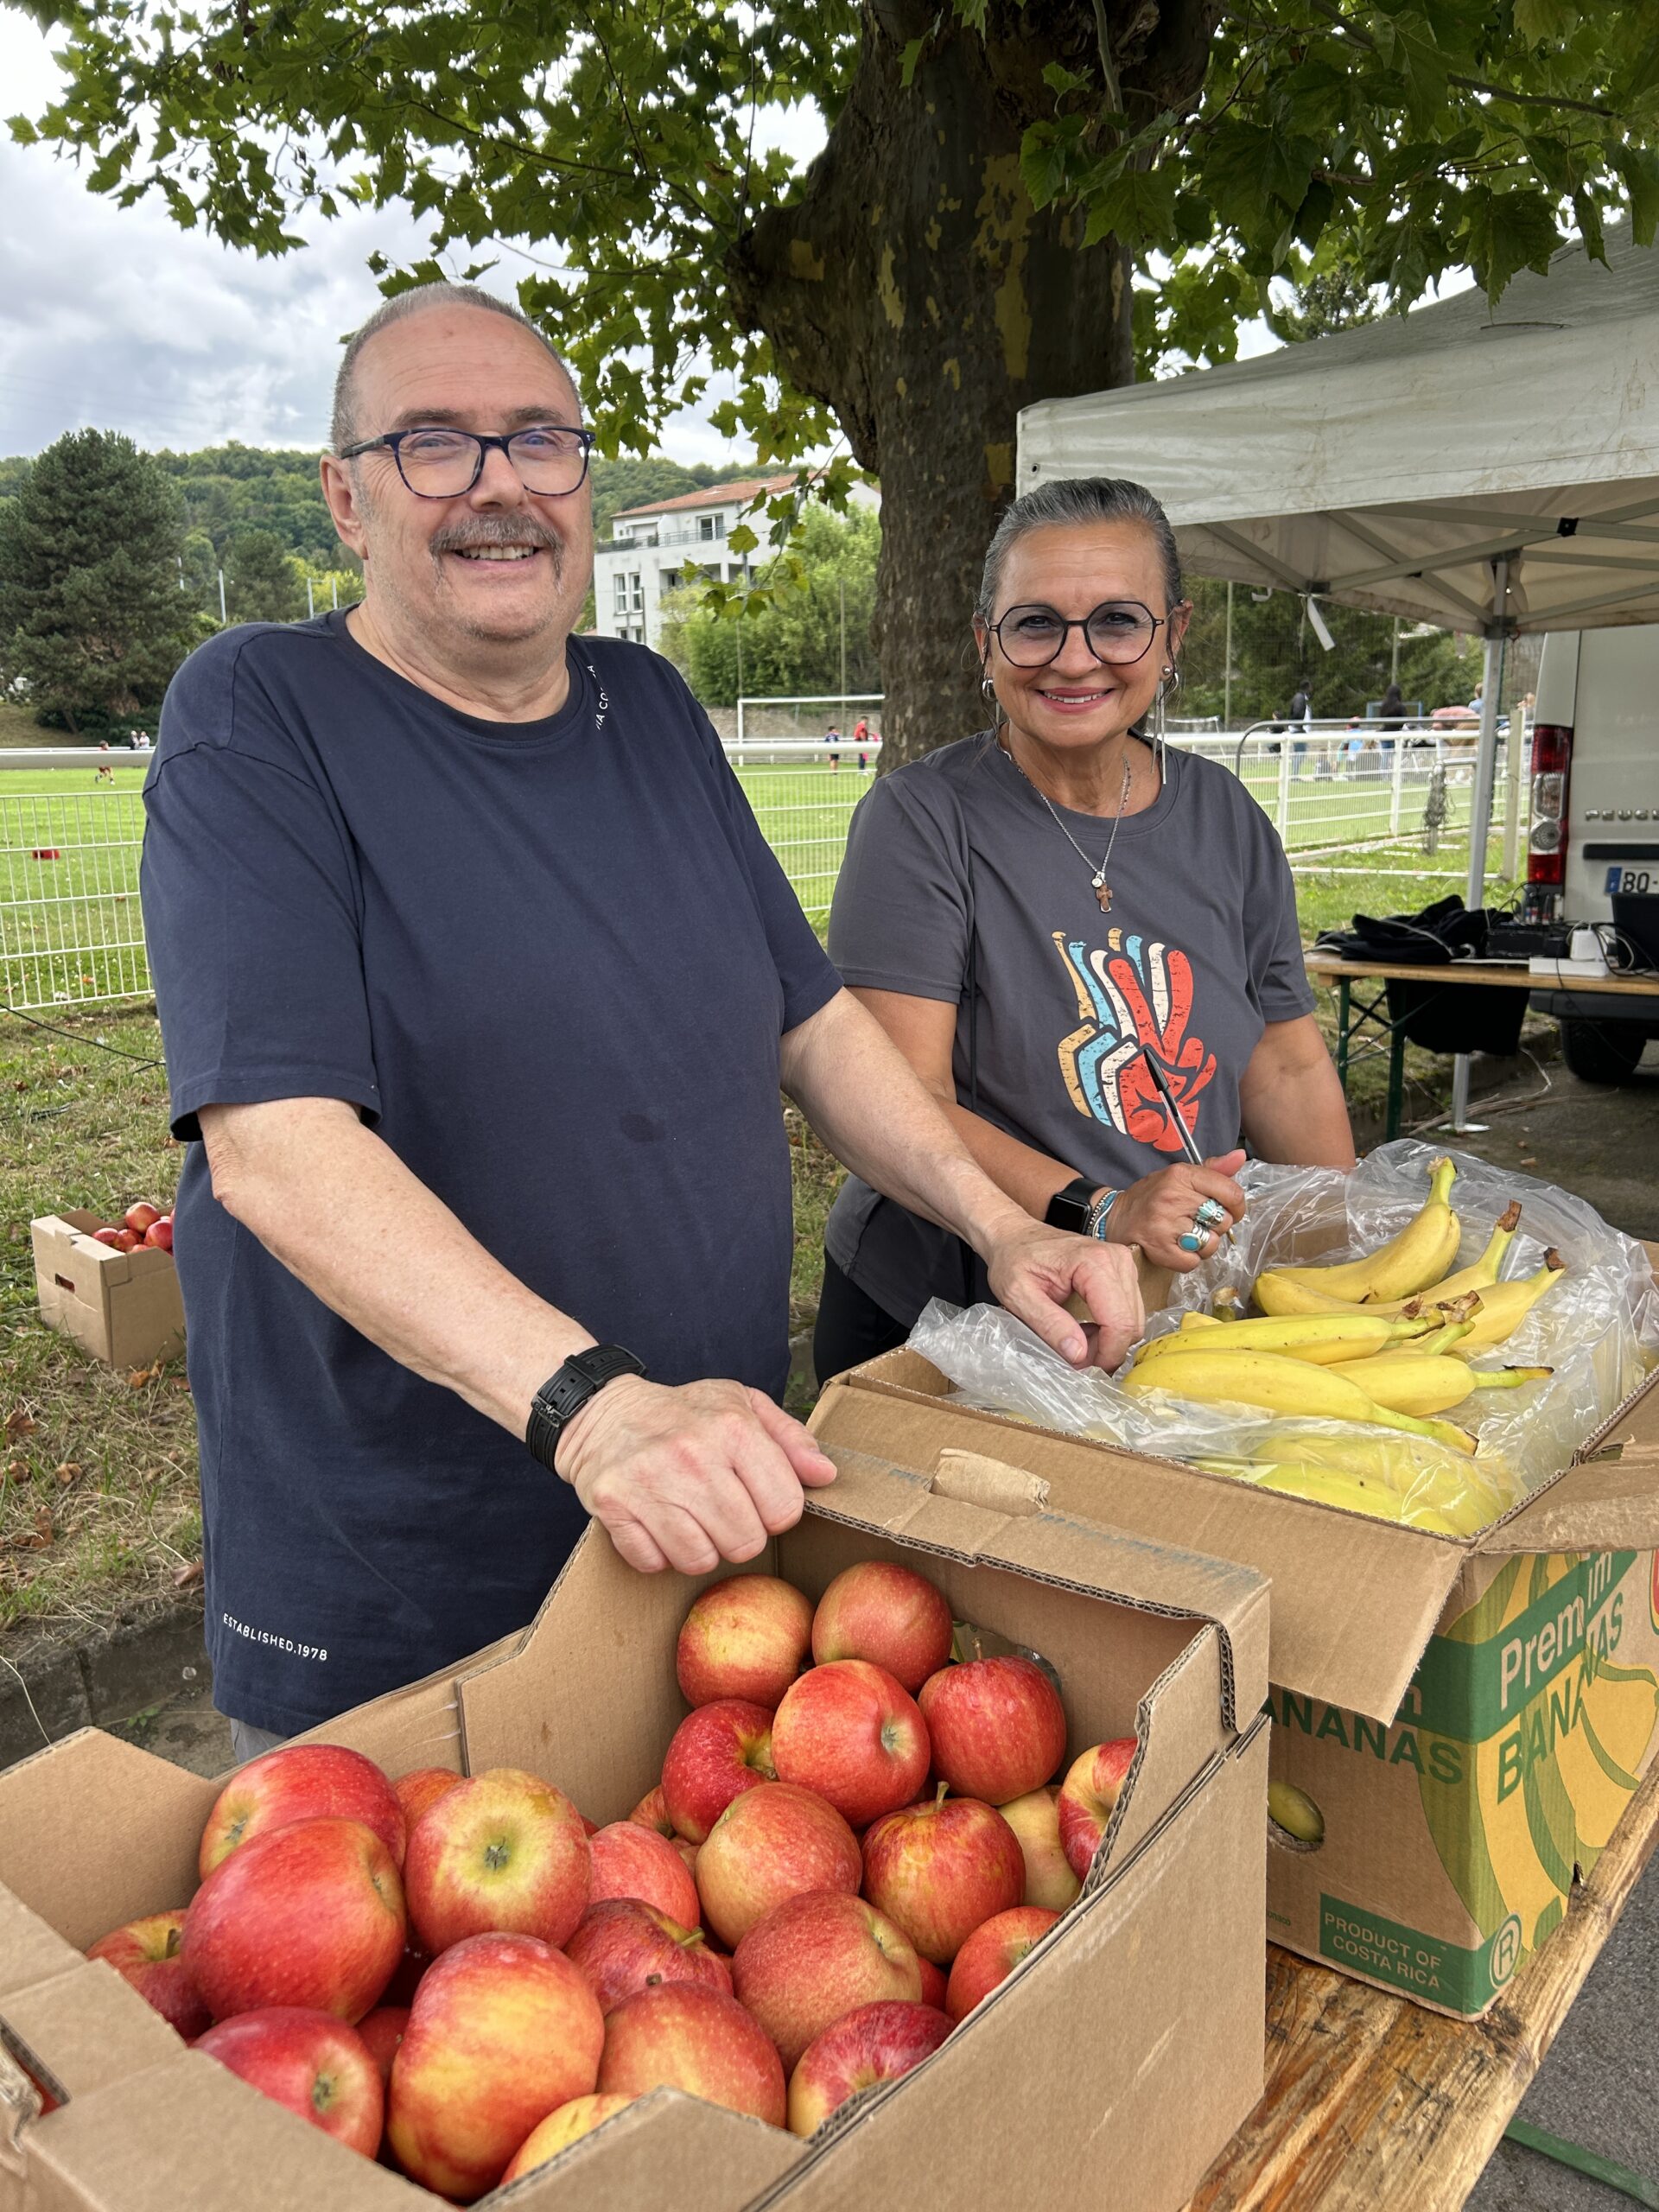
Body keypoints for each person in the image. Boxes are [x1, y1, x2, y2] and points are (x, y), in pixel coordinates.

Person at [140, 283, 1140, 1758]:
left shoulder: (650, 706)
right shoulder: (260, 709)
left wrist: (1003, 1228)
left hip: (703, 1519)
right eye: (435, 443)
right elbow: (277, 1148)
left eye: (539, 441)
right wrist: (594, 1411)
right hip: (414, 1574)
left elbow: (814, 1026)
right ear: (347, 499)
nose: (499, 486)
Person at [813, 475, 1356, 1382]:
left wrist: (1344, 1253)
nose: (1075, 659)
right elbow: (900, 1097)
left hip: (1168, 1299)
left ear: (1173, 634)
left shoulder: (1225, 817)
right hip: (950, 1311)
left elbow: (1285, 1064)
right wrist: (1103, 1208)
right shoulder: (922, 819)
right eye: (1035, 624)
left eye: (1117, 621)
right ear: (985, 642)